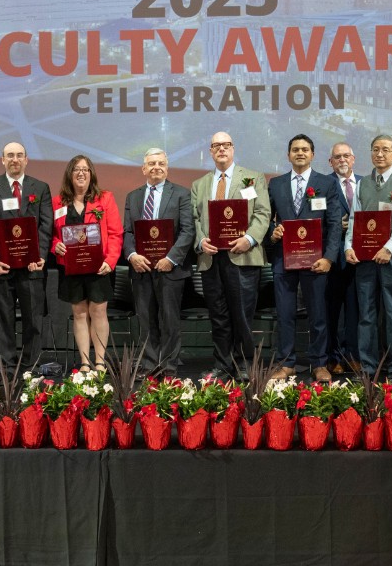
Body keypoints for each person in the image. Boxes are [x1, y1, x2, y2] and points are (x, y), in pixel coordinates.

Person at [191, 131, 270, 380]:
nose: (222, 149)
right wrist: (200, 240)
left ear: (233, 149)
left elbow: (262, 213)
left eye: (226, 145)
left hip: (242, 256)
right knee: (219, 315)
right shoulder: (199, 185)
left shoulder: (252, 178)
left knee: (242, 315)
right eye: (216, 146)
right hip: (211, 258)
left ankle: (244, 364)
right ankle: (222, 365)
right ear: (211, 151)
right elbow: (194, 219)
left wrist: (249, 239)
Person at [265, 134, 343, 381]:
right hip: (284, 260)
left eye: (305, 149)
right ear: (288, 155)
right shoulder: (275, 184)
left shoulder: (327, 184)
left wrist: (329, 258)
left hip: (316, 261)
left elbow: (333, 224)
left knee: (318, 315)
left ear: (312, 154)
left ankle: (319, 363)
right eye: (295, 149)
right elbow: (265, 218)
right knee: (285, 314)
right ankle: (286, 363)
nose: (300, 153)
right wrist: (273, 232)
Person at [344, 134, 392, 383]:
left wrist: (388, 247)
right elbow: (355, 219)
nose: (380, 154)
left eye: (386, 150)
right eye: (375, 149)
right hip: (365, 257)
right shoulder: (363, 183)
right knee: (366, 313)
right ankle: (368, 368)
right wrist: (348, 247)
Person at [0, 141, 53, 371]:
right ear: (2, 160)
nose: (15, 159)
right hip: (2, 267)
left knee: (34, 321)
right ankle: (7, 368)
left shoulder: (40, 188)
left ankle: (31, 367)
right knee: (3, 322)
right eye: (10, 155)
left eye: (19, 155)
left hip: (32, 267)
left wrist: (40, 256)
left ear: (26, 159)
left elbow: (46, 225)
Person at [122, 148, 194, 374]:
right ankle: (150, 365)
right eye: (151, 163)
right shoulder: (133, 197)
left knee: (170, 321)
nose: (156, 167)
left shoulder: (182, 193)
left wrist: (171, 258)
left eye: (161, 163)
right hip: (141, 269)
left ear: (167, 167)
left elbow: (188, 230)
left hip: (170, 269)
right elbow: (127, 232)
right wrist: (132, 256)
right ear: (144, 169)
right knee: (146, 321)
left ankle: (169, 367)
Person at [51, 155, 123, 371]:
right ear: (69, 174)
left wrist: (110, 261)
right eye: (76, 169)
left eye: (85, 169)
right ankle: (84, 362)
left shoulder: (105, 198)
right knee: (79, 313)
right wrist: (55, 245)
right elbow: (50, 235)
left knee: (99, 312)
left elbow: (115, 233)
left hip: (99, 267)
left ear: (91, 174)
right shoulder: (58, 202)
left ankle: (99, 361)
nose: (81, 173)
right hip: (71, 268)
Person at [323, 142, 361, 375]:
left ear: (353, 159)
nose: (342, 160)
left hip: (361, 256)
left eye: (346, 155)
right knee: (332, 311)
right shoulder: (323, 184)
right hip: (333, 257)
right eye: (337, 157)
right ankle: (333, 356)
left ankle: (353, 355)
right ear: (330, 162)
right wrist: (335, 226)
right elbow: (316, 218)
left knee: (356, 310)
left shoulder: (367, 183)